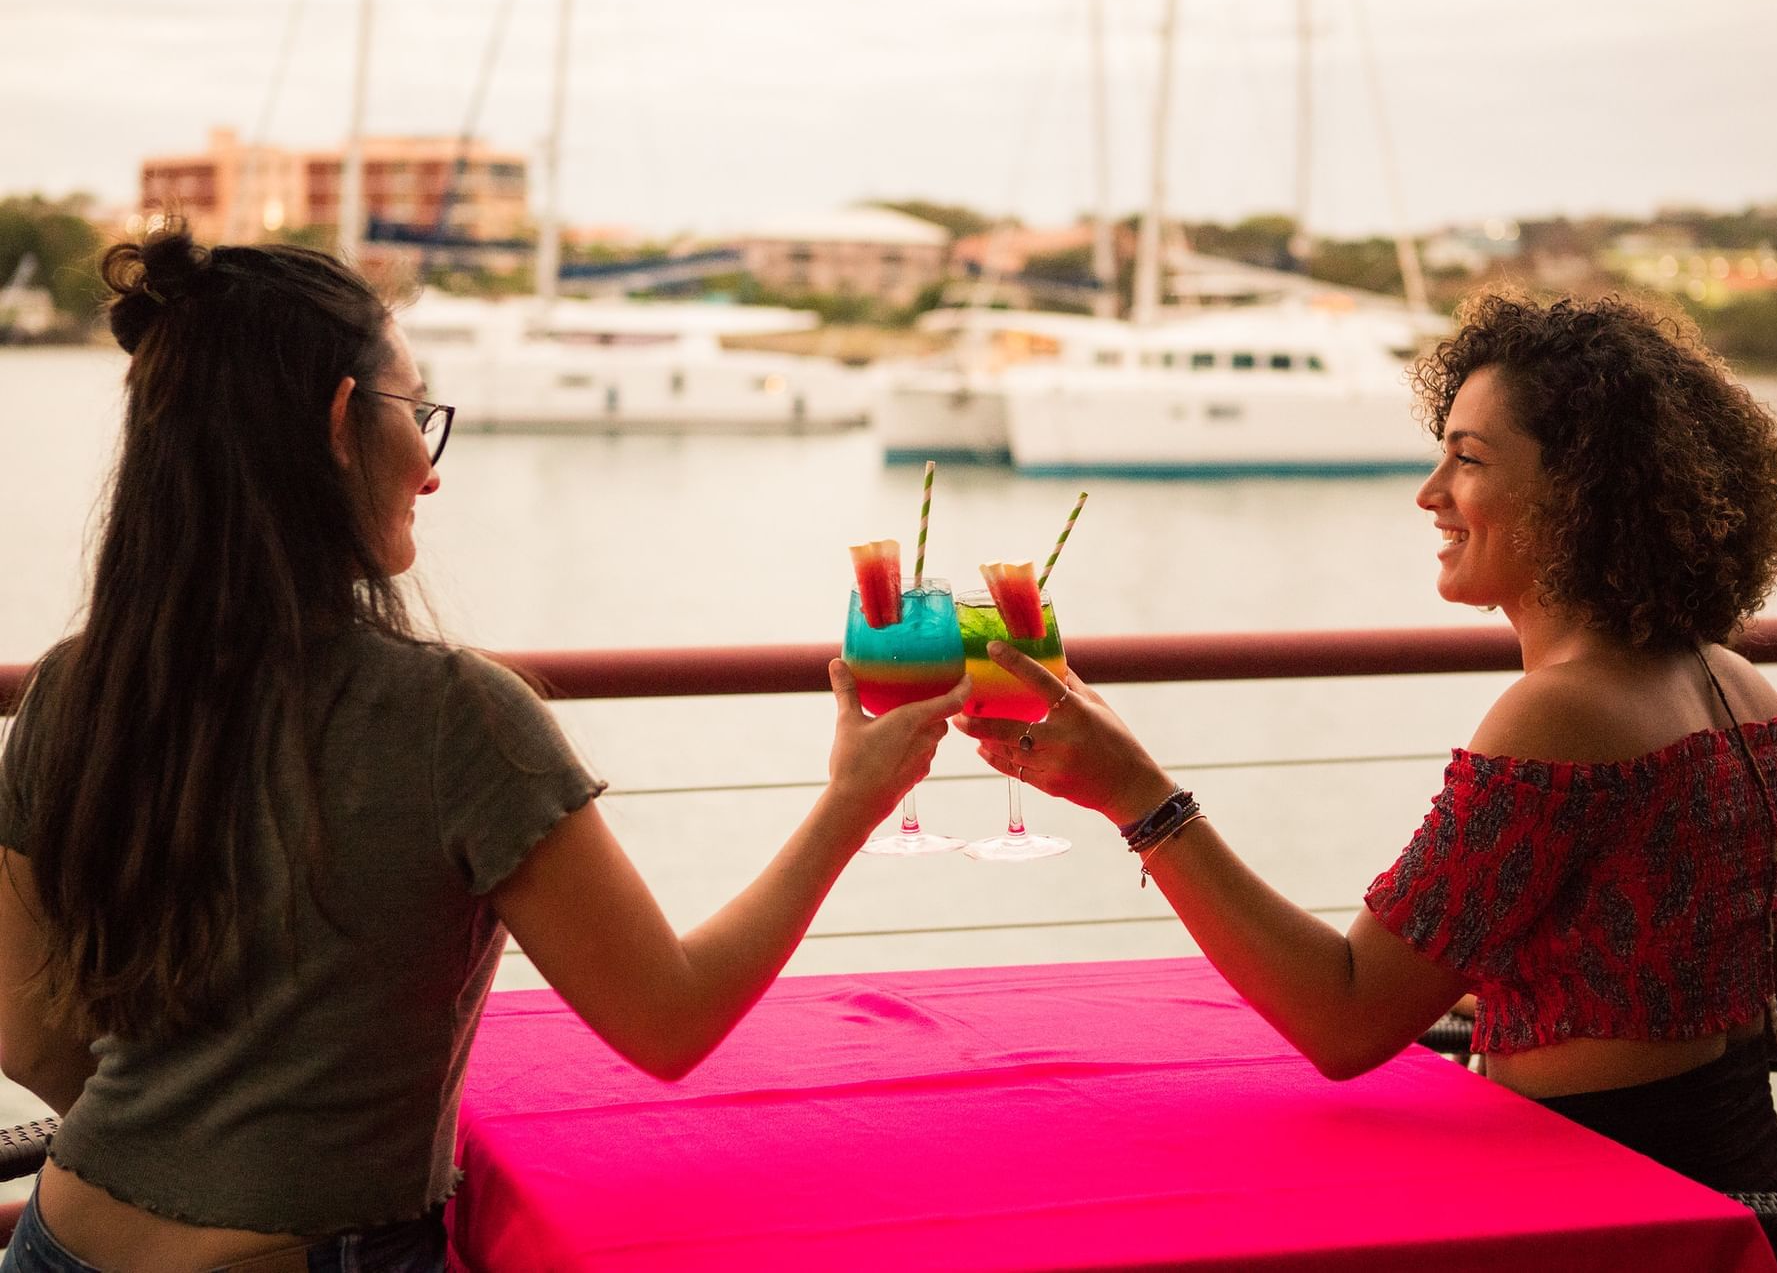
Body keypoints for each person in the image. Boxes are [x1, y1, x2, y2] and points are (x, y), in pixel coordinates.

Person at [0, 226, 966, 1271]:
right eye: (419, 414)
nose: (430, 469)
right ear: (339, 424)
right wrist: (847, 804)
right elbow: (668, 1019)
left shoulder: (74, 685)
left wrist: (191, 1133)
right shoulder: (453, 714)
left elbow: (25, 1028)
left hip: (60, 1237)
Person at [958, 290, 1777, 1197]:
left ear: (1581, 493)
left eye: (1465, 460)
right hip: (1729, 1177)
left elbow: (1342, 1021)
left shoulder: (1560, 713)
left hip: (1611, 1204)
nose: (1429, 494)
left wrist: (1135, 794)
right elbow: (1620, 975)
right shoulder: (1727, 679)